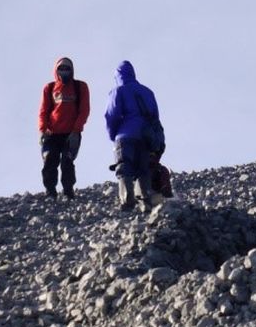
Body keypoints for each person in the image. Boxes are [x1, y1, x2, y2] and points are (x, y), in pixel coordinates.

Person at [104, 61, 163, 212]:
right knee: (143, 169)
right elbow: (155, 117)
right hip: (144, 136)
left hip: (125, 137)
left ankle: (127, 200)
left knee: (124, 167)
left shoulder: (118, 91)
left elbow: (111, 115)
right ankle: (145, 202)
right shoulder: (147, 92)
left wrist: (113, 135)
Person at [38, 57, 90, 199]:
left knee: (67, 162)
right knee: (49, 160)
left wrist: (76, 130)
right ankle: (50, 192)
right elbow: (43, 111)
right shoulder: (49, 89)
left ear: (72, 70)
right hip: (52, 134)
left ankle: (68, 191)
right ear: (56, 70)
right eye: (61, 68)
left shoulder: (80, 87)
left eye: (67, 68)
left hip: (71, 133)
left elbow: (84, 110)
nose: (64, 71)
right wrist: (43, 130)